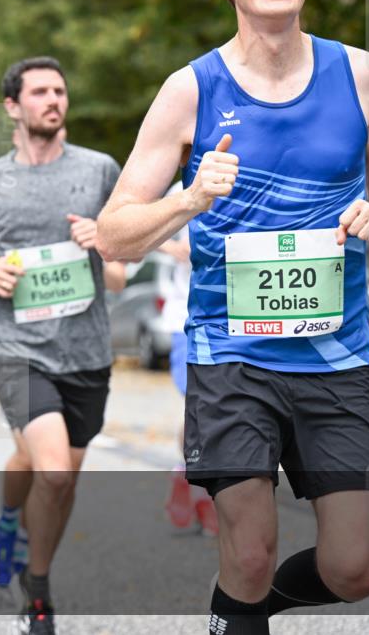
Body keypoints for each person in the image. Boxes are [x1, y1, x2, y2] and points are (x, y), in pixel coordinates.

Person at [96, 0, 369, 633]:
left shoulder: (360, 74)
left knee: (357, 568)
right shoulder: (191, 90)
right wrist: (189, 198)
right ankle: (239, 602)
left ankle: (236, 613)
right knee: (248, 550)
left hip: (338, 358)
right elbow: (112, 234)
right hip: (230, 356)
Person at [0, 56, 125, 634]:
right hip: (17, 348)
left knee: (58, 473)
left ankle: (12, 528)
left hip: (88, 352)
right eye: (41, 91)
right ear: (12, 106)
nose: (54, 100)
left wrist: (104, 244)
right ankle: (39, 592)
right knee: (51, 472)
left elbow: (123, 265)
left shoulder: (99, 171)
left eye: (60, 91)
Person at [156, 183, 218, 536]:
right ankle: (191, 475)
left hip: (238, 318)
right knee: (197, 405)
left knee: (218, 409)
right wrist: (173, 246)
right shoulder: (185, 185)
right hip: (187, 317)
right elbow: (142, 232)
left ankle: (204, 485)